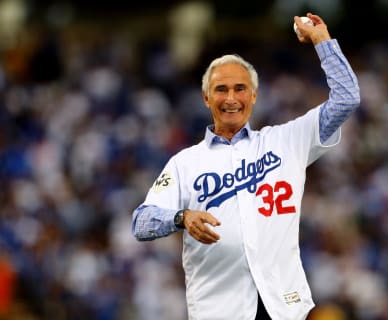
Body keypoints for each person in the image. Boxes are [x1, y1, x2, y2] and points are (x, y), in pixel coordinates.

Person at [131, 12, 360, 320]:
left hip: (284, 306)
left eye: (240, 88)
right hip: (220, 309)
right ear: (205, 98)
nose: (231, 98)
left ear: (253, 96)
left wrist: (321, 41)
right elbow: (141, 222)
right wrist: (181, 217)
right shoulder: (185, 162)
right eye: (221, 90)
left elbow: (347, 99)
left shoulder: (286, 140)